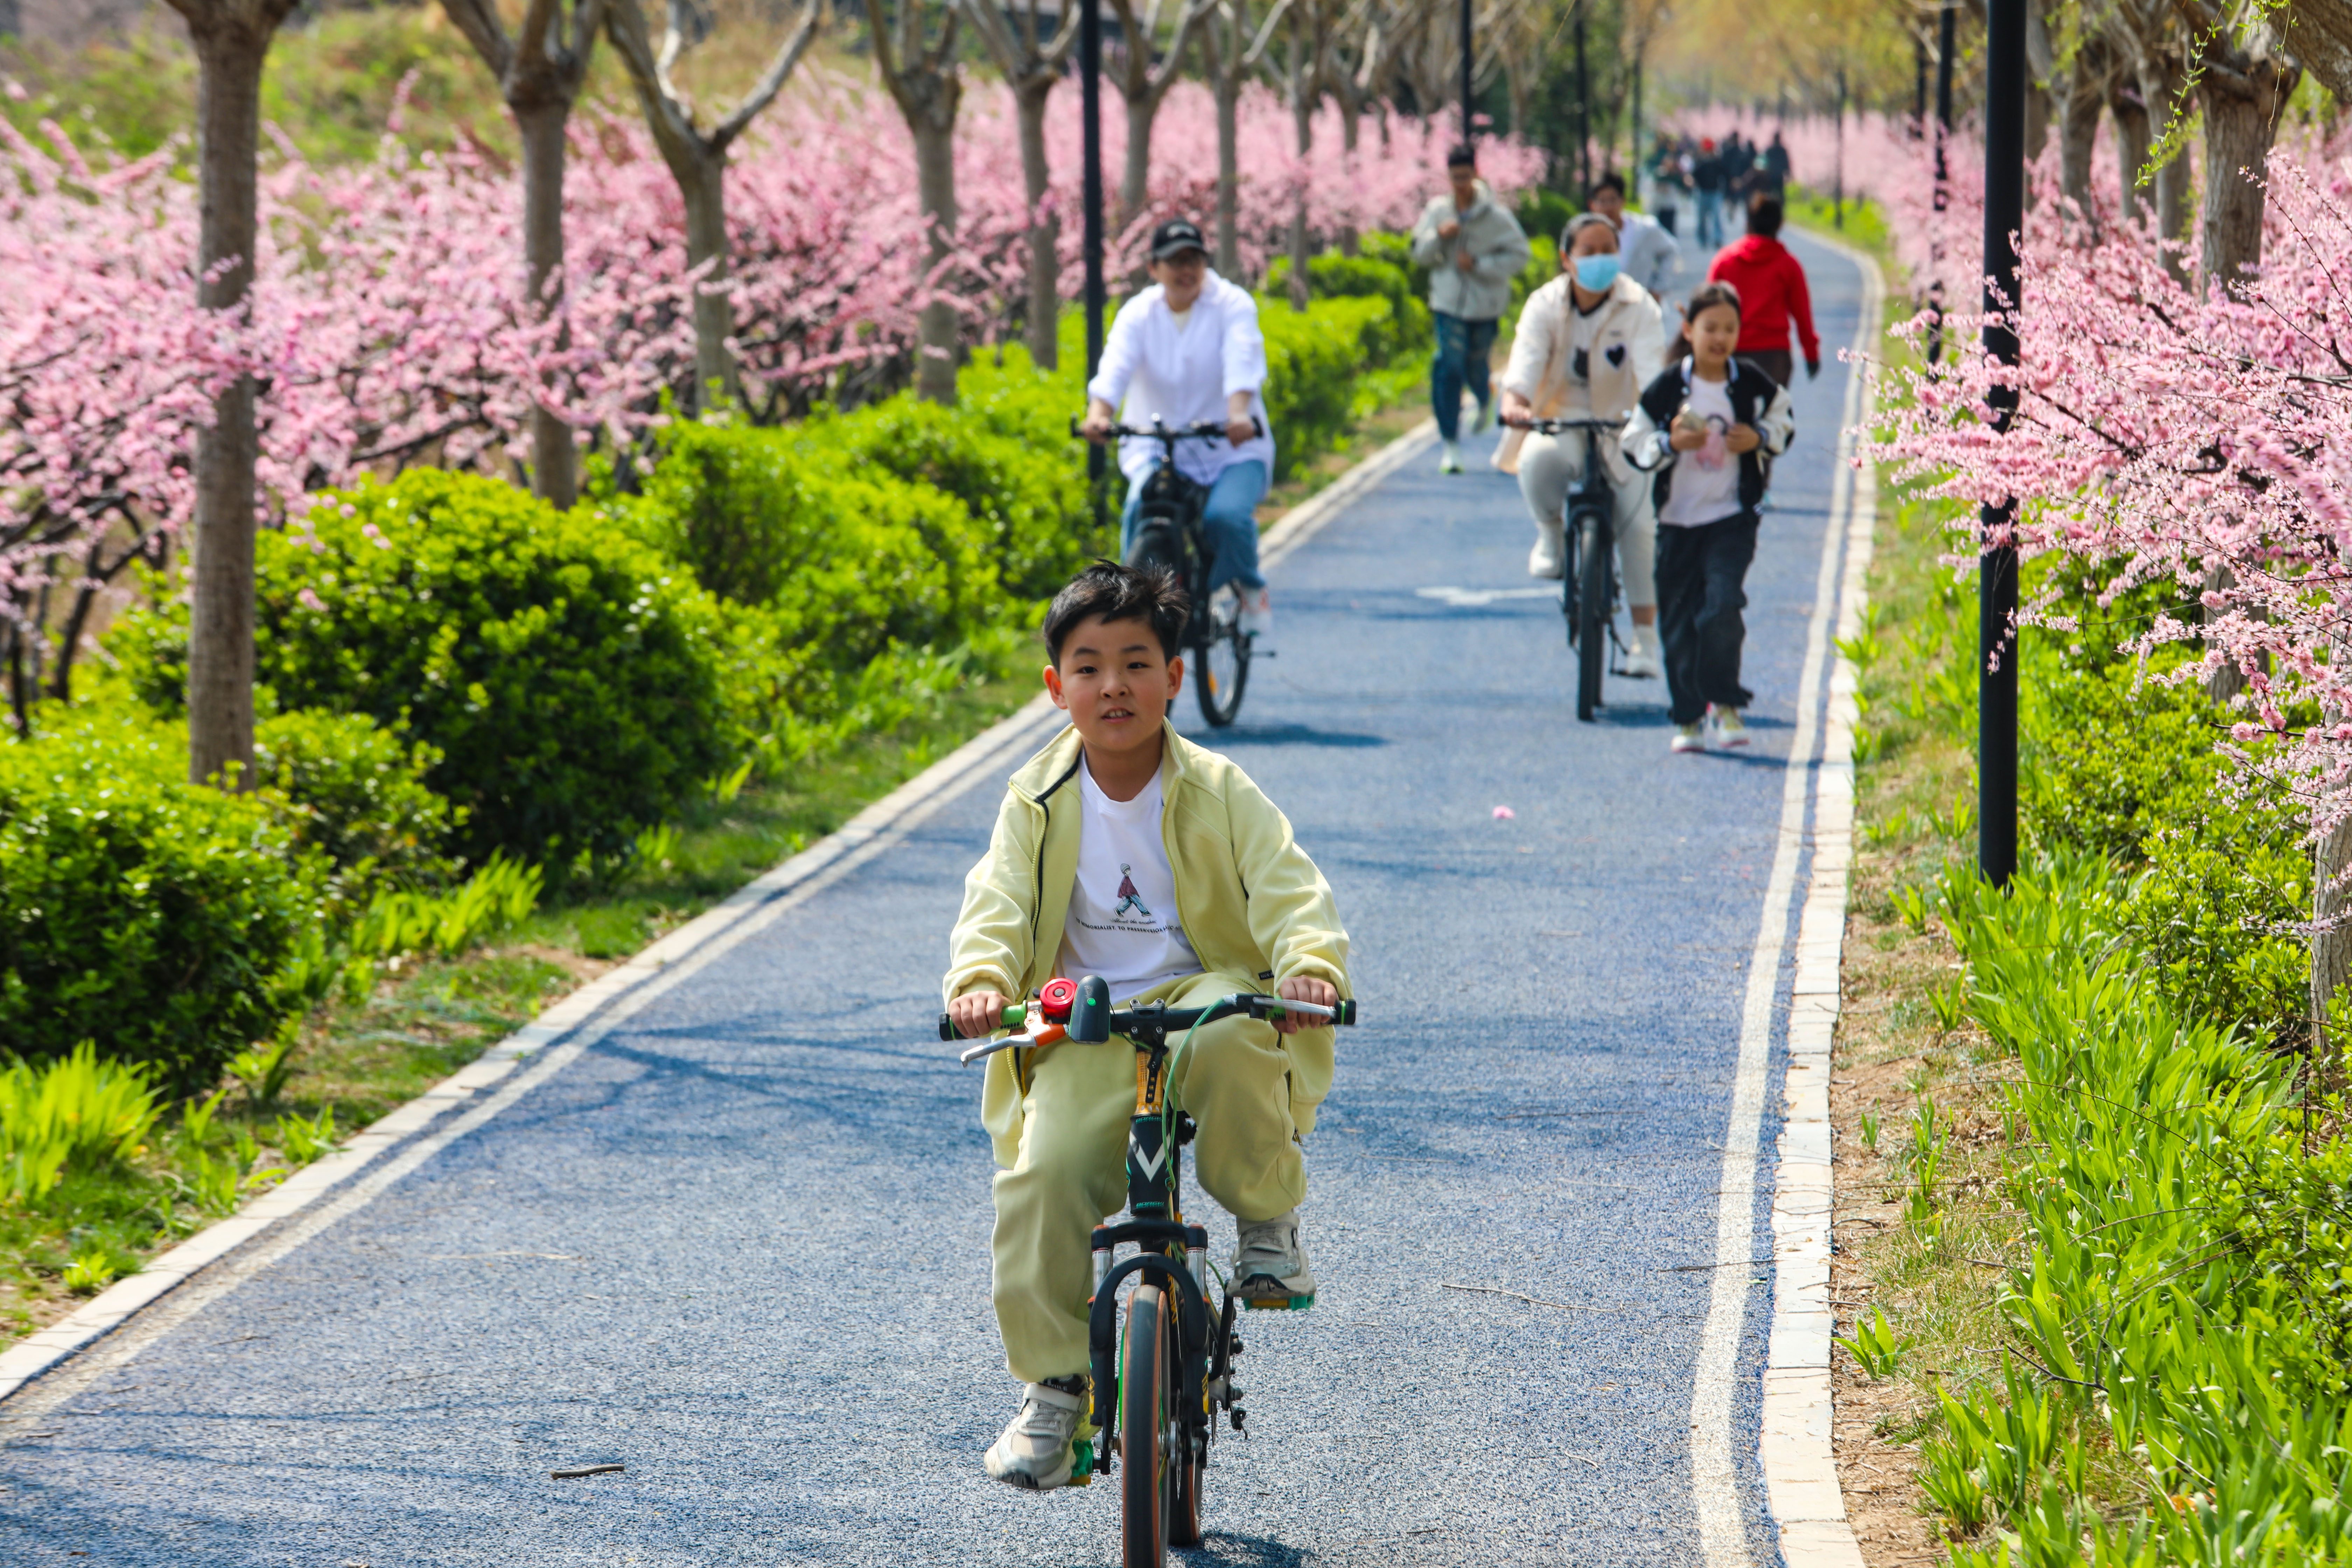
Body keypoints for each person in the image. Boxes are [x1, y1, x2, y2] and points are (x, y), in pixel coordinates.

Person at [944, 561, 1352, 1492]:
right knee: (1042, 1176)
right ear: (1057, 689)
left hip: (1201, 995)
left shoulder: (1219, 788)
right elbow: (995, 903)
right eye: (1088, 667)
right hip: (1086, 1020)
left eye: (1137, 663)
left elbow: (1290, 886)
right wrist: (981, 982)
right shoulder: (1035, 798)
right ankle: (1055, 1391)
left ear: (1174, 676)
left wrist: (1308, 967)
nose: (1114, 685)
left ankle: (1266, 1220)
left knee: (1241, 1034)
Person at [1083, 218, 1277, 642]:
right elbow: (1114, 368)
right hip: (1161, 447)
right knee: (1139, 507)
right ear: (1154, 268)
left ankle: (1250, 587)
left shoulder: (1232, 303)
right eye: (1175, 261)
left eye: (1193, 260)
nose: (1186, 270)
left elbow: (1242, 360)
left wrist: (1238, 413)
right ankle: (1129, 610)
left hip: (1232, 447)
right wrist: (1099, 414)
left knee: (1225, 517)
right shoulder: (1138, 313)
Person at [1624, 281, 1795, 753]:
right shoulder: (1668, 387)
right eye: (1710, 328)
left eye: (1729, 329)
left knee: (1722, 605)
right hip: (1676, 523)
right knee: (1678, 622)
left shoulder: (1750, 382)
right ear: (1688, 330)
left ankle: (1724, 704)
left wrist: (1759, 438)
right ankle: (1688, 718)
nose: (1720, 338)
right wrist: (1669, 443)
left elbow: (1784, 419)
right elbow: (1634, 440)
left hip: (1732, 519)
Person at [1497, 212, 1667, 678]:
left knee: (1640, 528)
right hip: (1562, 419)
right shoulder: (1544, 304)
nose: (1600, 260)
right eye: (1588, 252)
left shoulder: (1639, 305)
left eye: (1608, 250)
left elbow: (1653, 374)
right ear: (1566, 259)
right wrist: (1516, 402)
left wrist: (1659, 416)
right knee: (1538, 461)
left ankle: (1645, 641)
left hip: (1626, 424)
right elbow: (1526, 362)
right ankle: (1551, 533)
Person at [1410, 144, 1534, 474]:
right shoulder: (1438, 211)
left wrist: (1480, 265)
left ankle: (1483, 395)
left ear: (1476, 174)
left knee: (1476, 363)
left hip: (1485, 305)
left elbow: (1520, 255)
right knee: (1448, 365)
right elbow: (1418, 253)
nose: (1461, 184)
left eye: (1466, 177)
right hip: (1447, 303)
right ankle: (1450, 443)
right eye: (1456, 178)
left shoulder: (1496, 217)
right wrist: (1439, 236)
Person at [1706, 195, 1819, 387]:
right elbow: (1803, 315)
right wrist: (1811, 354)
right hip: (1774, 356)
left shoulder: (1724, 261)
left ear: (1748, 222)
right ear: (1780, 224)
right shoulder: (1789, 265)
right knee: (1774, 406)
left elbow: (1707, 309)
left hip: (1731, 351)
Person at [1587, 170, 1679, 299]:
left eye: (1613, 200)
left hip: (1638, 304)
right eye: (1602, 201)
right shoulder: (1585, 236)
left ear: (1623, 201)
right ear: (1592, 205)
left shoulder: (1643, 229)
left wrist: (1658, 288)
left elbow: (1670, 250)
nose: (1608, 207)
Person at [1692, 137, 1727, 248]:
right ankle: (1702, 239)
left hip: (1715, 192)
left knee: (1717, 217)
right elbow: (1694, 175)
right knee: (1702, 218)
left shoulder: (1717, 161)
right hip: (1702, 192)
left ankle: (1718, 238)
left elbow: (1725, 173)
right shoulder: (1699, 161)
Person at [1762, 131, 1791, 203]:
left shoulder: (1775, 150)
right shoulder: (1778, 151)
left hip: (1775, 176)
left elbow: (1786, 162)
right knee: (1772, 194)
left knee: (1776, 194)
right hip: (1773, 176)